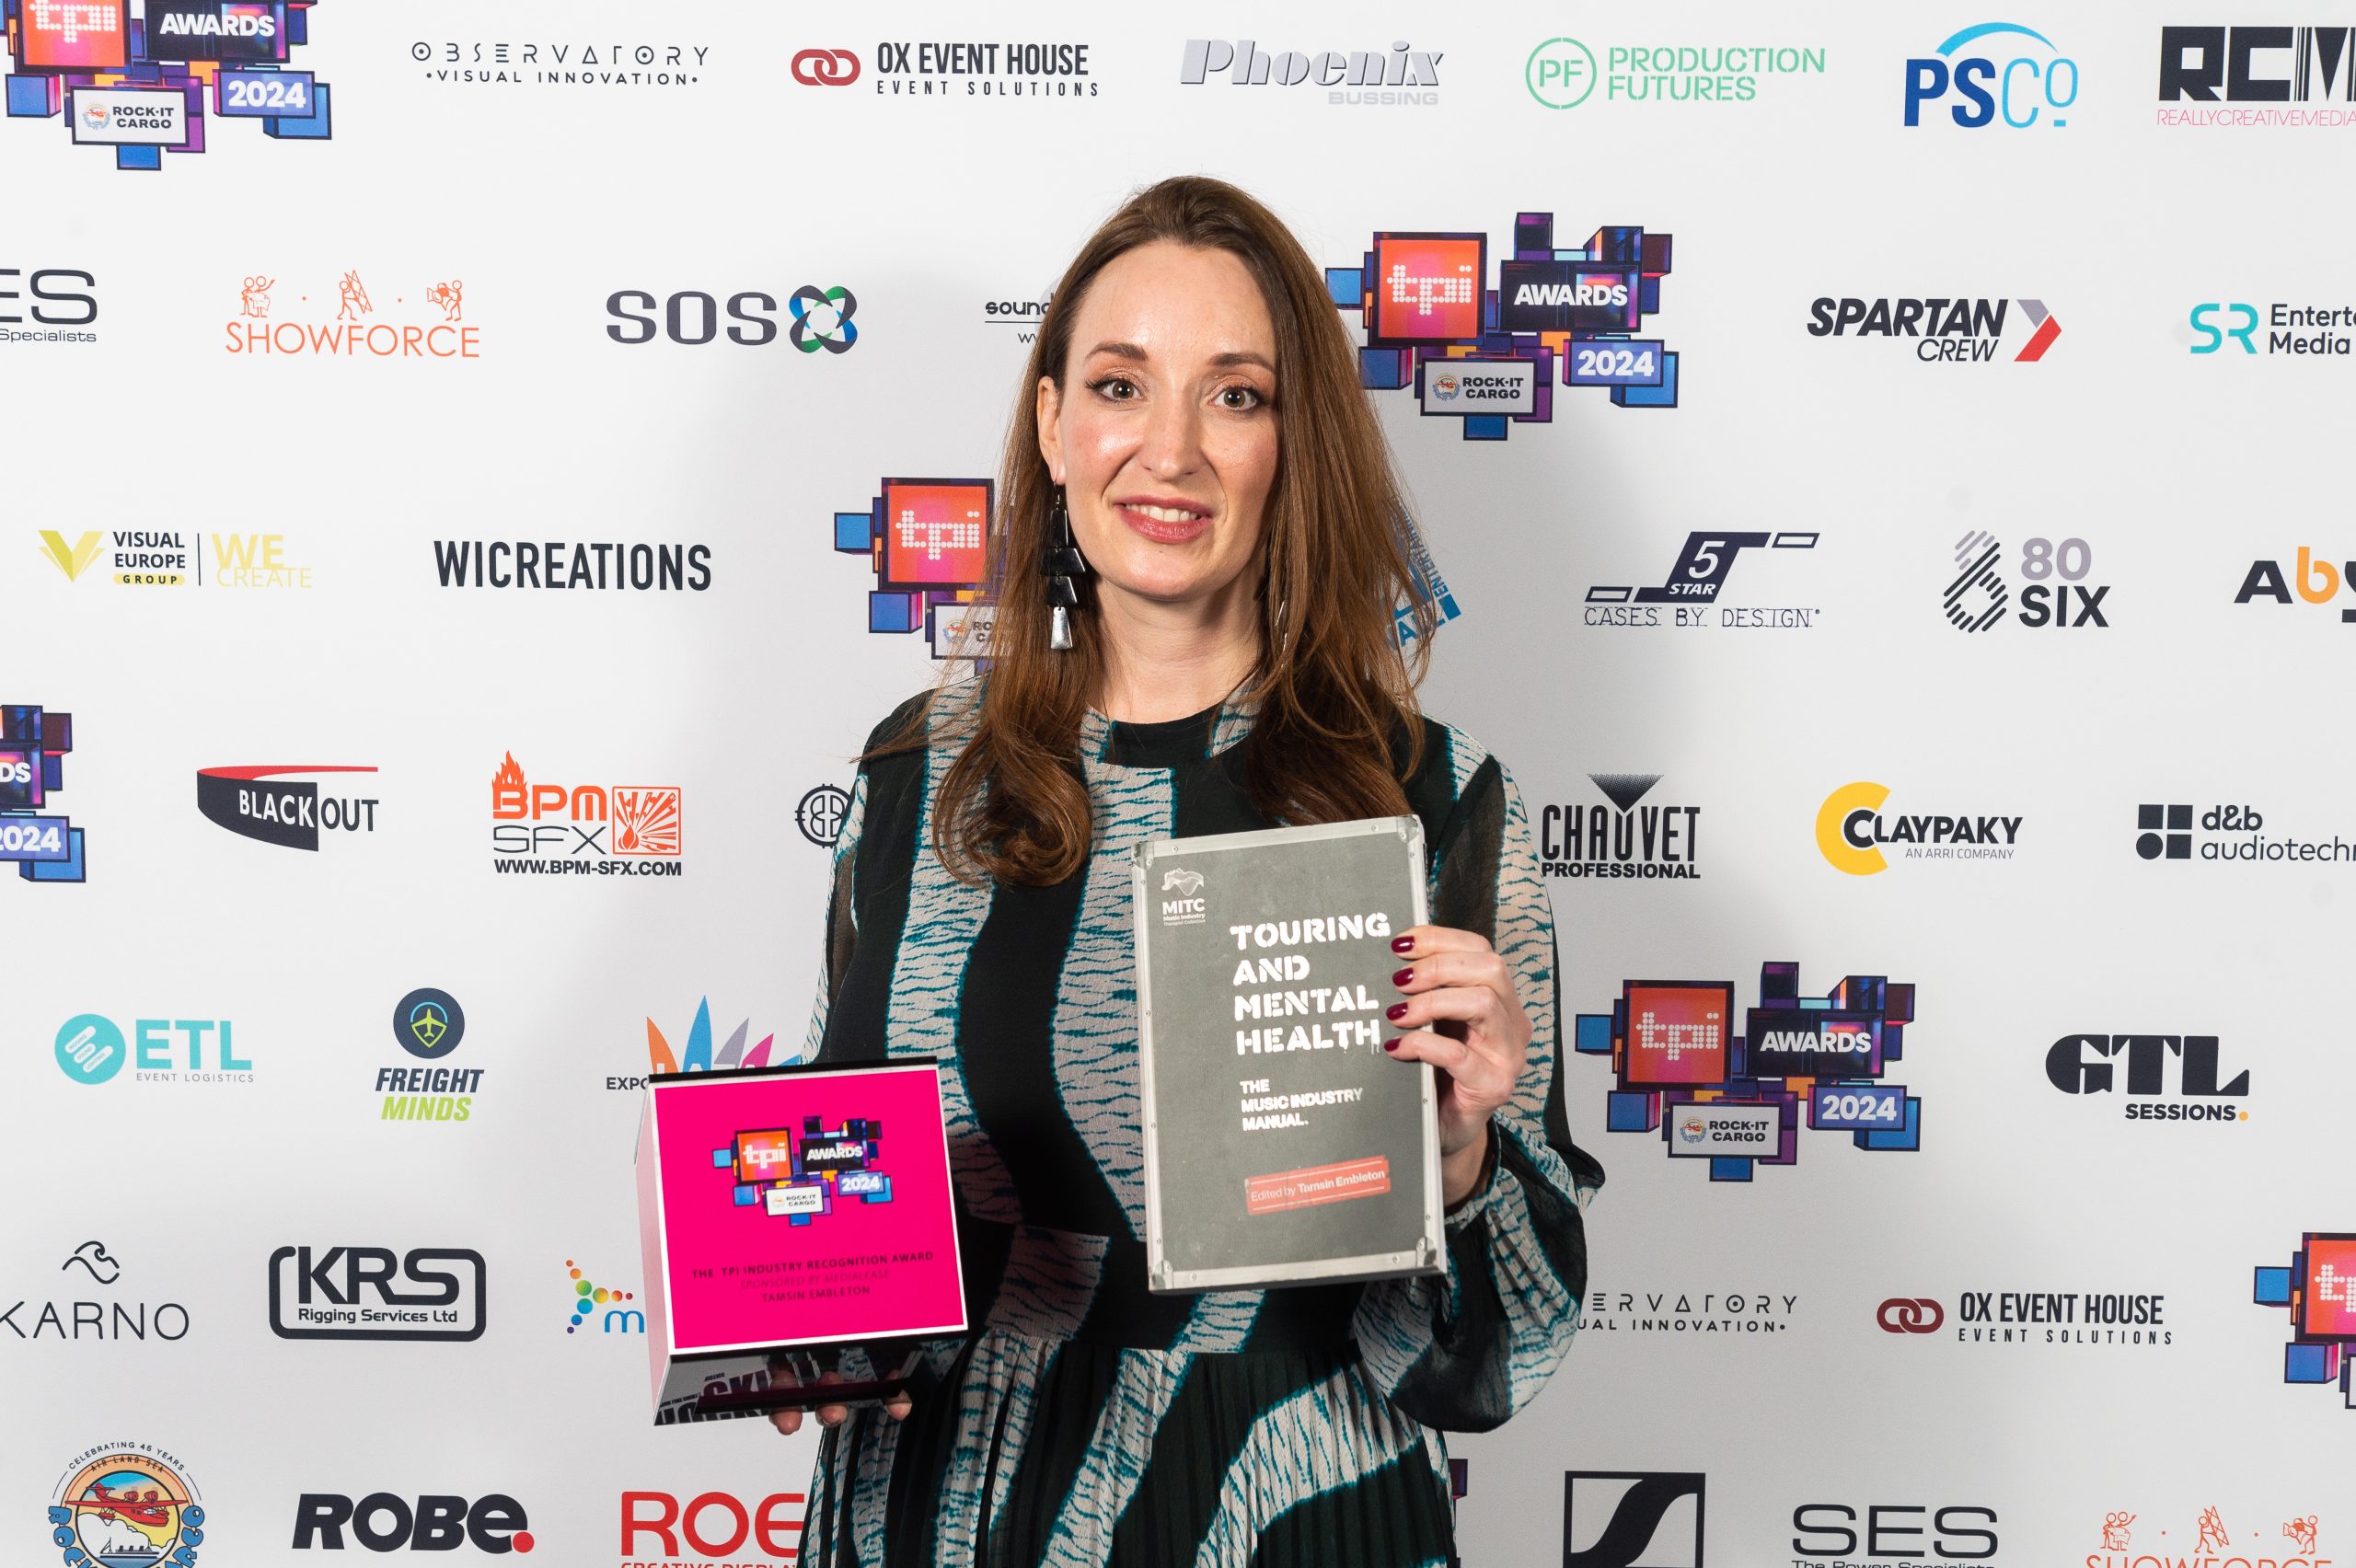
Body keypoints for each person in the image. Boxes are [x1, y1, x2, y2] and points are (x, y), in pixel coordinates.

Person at [772, 175, 1602, 1566]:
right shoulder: (921, 770)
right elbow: (840, 1192)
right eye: (1119, 386)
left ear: (1296, 443)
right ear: (1052, 425)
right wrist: (802, 1325)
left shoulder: (1432, 798)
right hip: (939, 1514)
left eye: (1235, 396)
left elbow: (1499, 1362)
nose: (1168, 451)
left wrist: (1461, 1156)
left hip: (1284, 1517)